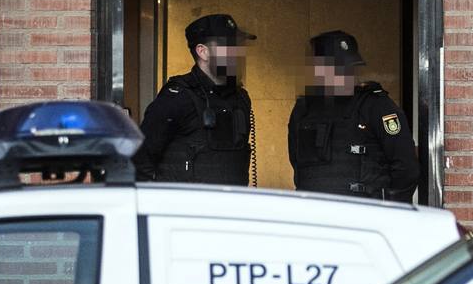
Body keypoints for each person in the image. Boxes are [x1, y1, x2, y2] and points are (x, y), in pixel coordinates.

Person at [287, 29, 418, 202]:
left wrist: (390, 209)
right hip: (314, 216)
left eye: (349, 69)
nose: (346, 75)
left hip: (365, 216)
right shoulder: (303, 110)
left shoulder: (376, 106)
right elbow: (297, 162)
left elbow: (406, 167)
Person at [137, 13, 256, 185]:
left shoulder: (240, 98)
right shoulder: (178, 97)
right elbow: (142, 159)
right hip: (186, 210)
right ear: (203, 52)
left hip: (232, 208)